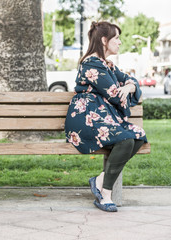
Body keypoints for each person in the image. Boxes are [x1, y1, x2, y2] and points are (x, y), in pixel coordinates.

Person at [64, 21, 147, 212]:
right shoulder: (92, 64)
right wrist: (124, 90)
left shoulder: (107, 65)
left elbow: (131, 82)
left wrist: (129, 87)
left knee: (138, 135)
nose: (119, 42)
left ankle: (100, 180)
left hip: (101, 117)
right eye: (116, 38)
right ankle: (105, 194)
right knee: (126, 140)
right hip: (85, 119)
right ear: (104, 40)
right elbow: (116, 96)